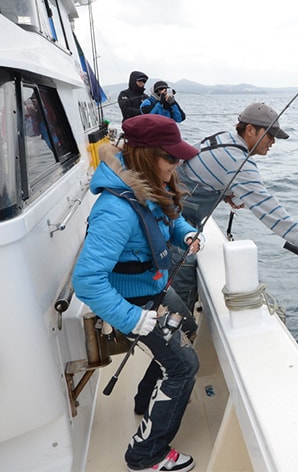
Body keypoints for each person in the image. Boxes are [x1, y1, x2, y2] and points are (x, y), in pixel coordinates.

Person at [72, 114, 201, 472]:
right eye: (171, 158)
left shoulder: (146, 185)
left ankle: (149, 402)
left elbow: (170, 220)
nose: (177, 165)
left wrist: (187, 234)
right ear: (146, 155)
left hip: (156, 289)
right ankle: (146, 456)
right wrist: (135, 320)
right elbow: (86, 281)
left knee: (188, 330)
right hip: (133, 302)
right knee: (184, 366)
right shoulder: (116, 211)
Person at [172, 102, 298, 310]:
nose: (273, 142)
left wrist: (225, 192)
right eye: (270, 135)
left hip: (175, 206)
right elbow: (270, 210)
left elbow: (201, 169)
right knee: (182, 270)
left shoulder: (223, 138)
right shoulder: (238, 162)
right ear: (250, 130)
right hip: (173, 215)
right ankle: (176, 329)